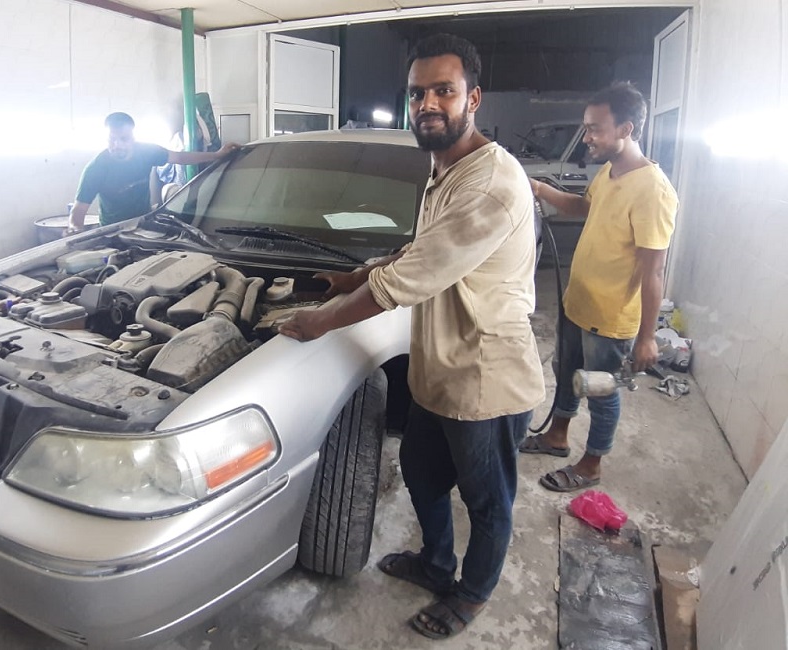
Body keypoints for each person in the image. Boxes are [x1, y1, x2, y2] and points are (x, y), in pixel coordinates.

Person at [278, 34, 544, 641]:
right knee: (422, 474)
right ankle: (436, 563)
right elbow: (419, 250)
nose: (427, 104)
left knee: (487, 501)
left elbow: (409, 279)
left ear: (473, 98)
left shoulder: (489, 183)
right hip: (438, 369)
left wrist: (321, 320)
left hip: (486, 379)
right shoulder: (443, 167)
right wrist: (355, 275)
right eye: (418, 92)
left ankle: (471, 595)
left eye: (443, 91)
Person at [519, 82, 678, 492]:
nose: (587, 136)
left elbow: (654, 271)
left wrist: (647, 338)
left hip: (610, 318)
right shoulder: (610, 171)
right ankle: (557, 437)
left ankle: (591, 466)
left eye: (595, 129)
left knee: (601, 391)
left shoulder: (653, 190)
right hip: (578, 302)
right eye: (586, 127)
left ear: (626, 129)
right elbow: (585, 207)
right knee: (566, 372)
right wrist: (540, 189)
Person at [66, 112, 238, 234]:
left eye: (123, 139)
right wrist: (75, 232)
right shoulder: (96, 168)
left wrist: (216, 155)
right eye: (112, 139)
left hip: (144, 226)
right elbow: (78, 211)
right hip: (113, 233)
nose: (117, 145)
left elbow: (179, 157)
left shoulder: (147, 152)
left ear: (133, 138)